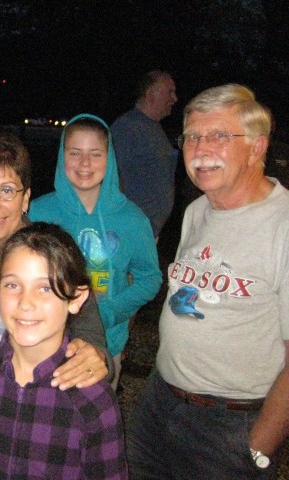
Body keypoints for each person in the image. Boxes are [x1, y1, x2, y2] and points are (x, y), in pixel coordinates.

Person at [126, 84, 289, 479]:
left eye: (218, 135)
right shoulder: (198, 210)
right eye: (192, 137)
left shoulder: (282, 224)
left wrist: (260, 445)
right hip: (160, 401)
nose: (200, 149)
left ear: (256, 147)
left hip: (230, 424)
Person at [0, 222, 128, 479]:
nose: (25, 303)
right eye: (13, 285)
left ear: (76, 298)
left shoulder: (93, 402)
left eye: (45, 288)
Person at [0, 131, 111, 402]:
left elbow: (93, 341)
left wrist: (95, 358)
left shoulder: (55, 254)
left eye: (6, 190)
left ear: (25, 199)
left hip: (37, 416)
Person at [29, 114, 162, 389]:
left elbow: (149, 278)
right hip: (43, 345)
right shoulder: (38, 212)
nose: (85, 163)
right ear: (62, 156)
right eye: (75, 153)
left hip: (104, 347)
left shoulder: (132, 219)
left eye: (95, 154)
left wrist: (107, 314)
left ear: (109, 158)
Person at [111, 70, 178, 239]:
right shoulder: (127, 127)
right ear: (150, 93)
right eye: (169, 92)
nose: (175, 98)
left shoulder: (154, 127)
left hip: (150, 230)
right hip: (131, 230)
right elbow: (112, 177)